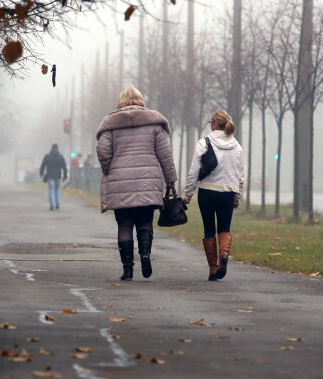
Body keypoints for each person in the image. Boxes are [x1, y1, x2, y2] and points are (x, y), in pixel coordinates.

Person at [96, 86, 177, 281]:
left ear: (121, 100)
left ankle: (128, 269)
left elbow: (103, 151)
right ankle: (145, 255)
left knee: (124, 224)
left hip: (119, 183)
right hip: (147, 182)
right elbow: (165, 155)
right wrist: (170, 179)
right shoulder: (154, 123)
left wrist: (109, 170)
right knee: (145, 221)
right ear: (140, 100)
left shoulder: (110, 124)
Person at [183, 110, 244, 281]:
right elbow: (240, 176)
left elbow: (194, 171)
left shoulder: (204, 143)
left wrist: (188, 194)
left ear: (215, 124)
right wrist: (237, 197)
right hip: (228, 192)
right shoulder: (236, 146)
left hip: (207, 192)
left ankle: (212, 269)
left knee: (209, 228)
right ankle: (224, 255)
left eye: (211, 121)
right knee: (224, 228)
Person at [39, 143, 68, 210]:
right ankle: (57, 203)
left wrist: (41, 173)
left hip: (50, 176)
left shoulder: (47, 156)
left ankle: (52, 205)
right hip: (58, 176)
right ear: (57, 148)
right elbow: (64, 167)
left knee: (51, 189)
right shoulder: (61, 157)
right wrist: (65, 176)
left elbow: (43, 165)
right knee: (57, 189)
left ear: (51, 148)